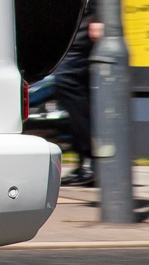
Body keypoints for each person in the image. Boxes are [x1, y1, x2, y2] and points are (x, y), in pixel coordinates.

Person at [32, 20, 100, 187]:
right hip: (71, 27)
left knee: (67, 81)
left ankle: (92, 159)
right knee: (73, 87)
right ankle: (87, 162)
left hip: (82, 27)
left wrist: (99, 18)